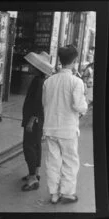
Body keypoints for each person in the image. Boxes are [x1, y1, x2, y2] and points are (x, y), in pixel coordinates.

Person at [42, 45, 88, 204]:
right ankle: (67, 192)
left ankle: (54, 194)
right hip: (67, 129)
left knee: (52, 161)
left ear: (60, 60)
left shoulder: (48, 81)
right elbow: (79, 106)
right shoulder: (77, 82)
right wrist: (85, 104)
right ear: (74, 61)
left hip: (50, 127)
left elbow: (45, 104)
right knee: (70, 161)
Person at [21, 51, 53, 192]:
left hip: (34, 120)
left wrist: (31, 120)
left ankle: (33, 178)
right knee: (36, 145)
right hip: (37, 119)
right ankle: (35, 172)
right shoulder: (39, 80)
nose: (30, 66)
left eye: (32, 65)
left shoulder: (39, 82)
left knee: (29, 146)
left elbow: (38, 104)